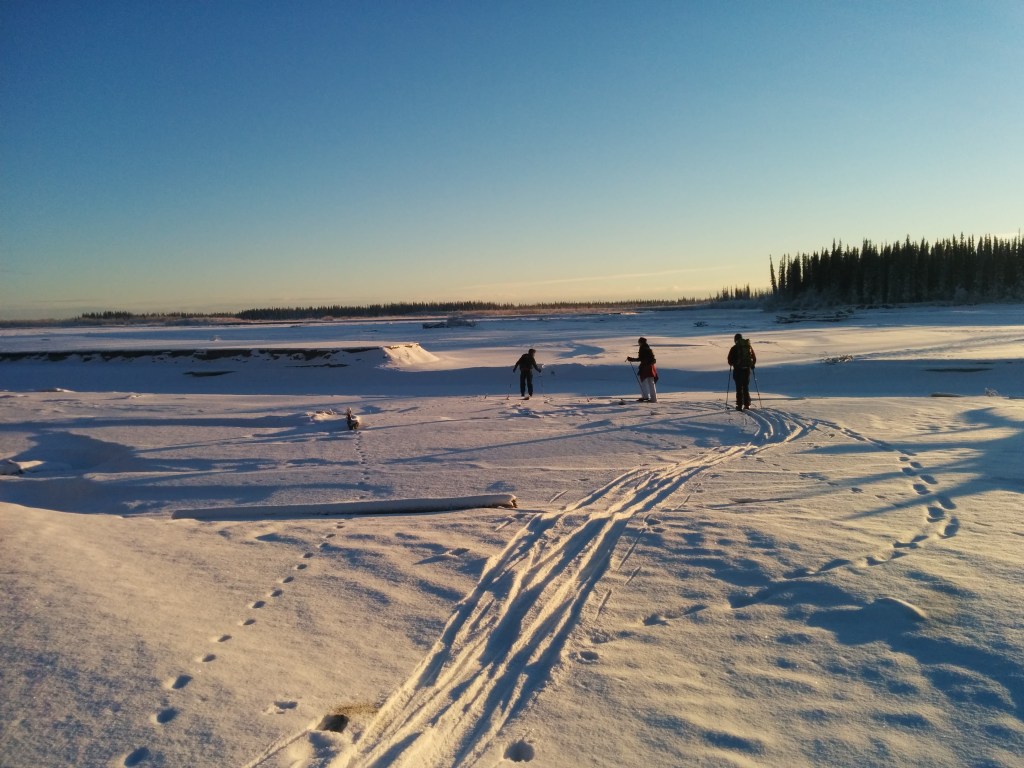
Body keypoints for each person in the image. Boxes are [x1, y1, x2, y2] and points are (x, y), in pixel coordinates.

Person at [727, 333, 756, 410]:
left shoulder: (734, 348)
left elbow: (730, 361)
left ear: (735, 340)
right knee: (746, 387)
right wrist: (752, 365)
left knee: (739, 387)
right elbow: (754, 358)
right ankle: (747, 404)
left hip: (738, 370)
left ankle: (739, 405)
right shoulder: (748, 347)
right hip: (747, 370)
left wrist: (733, 363)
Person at [627, 337, 658, 402]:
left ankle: (645, 396)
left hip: (645, 367)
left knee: (643, 382)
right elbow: (652, 359)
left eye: (639, 342)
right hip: (651, 367)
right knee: (651, 383)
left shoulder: (643, 348)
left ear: (640, 342)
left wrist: (631, 359)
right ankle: (653, 398)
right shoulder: (648, 348)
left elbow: (640, 358)